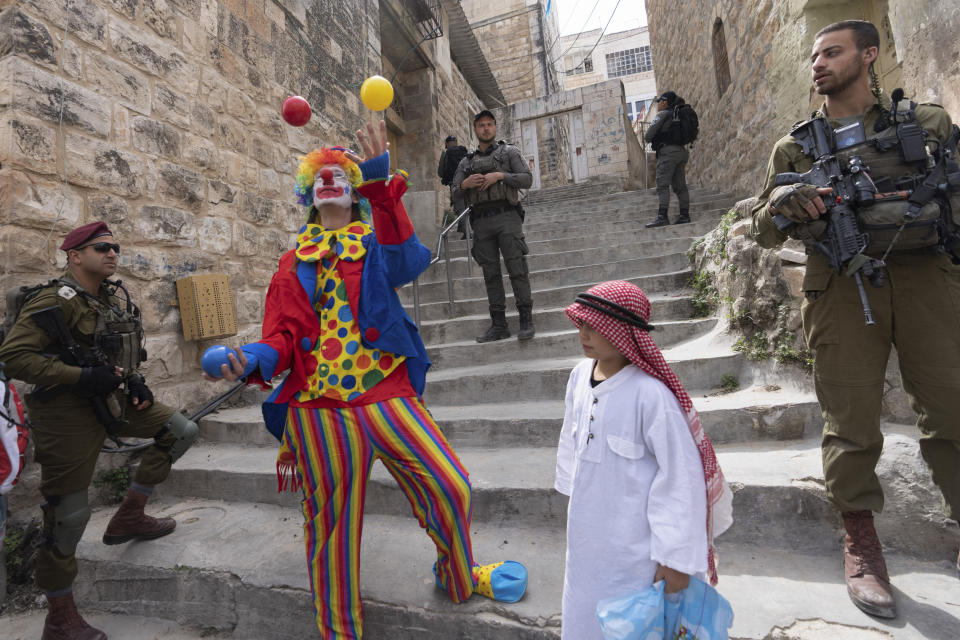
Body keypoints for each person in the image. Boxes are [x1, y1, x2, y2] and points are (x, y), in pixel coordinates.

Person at [205, 121, 527, 640]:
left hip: (386, 393)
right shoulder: (291, 263)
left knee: (450, 486)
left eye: (341, 174)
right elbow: (283, 337)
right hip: (319, 408)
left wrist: (380, 185)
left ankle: (455, 573)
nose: (330, 179)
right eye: (321, 175)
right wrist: (252, 358)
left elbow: (405, 263)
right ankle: (339, 631)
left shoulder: (374, 243)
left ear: (352, 190)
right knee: (331, 529)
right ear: (309, 193)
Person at [750, 19, 960, 617]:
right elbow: (764, 229)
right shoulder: (795, 147)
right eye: (814, 54)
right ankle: (862, 544)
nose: (818, 63)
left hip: (928, 279)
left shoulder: (927, 125)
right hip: (841, 286)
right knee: (850, 419)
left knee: (952, 407)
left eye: (832, 52)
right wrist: (781, 204)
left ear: (869, 56)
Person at [0, 221, 199, 640]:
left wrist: (135, 378)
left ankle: (129, 516)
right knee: (68, 516)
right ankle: (59, 616)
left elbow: (116, 349)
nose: (112, 253)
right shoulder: (54, 301)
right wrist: (79, 376)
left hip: (113, 398)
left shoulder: (108, 297)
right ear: (75, 256)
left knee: (179, 430)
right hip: (65, 413)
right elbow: (15, 357)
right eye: (101, 247)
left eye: (115, 247)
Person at [556, 280, 733, 639]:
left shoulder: (650, 395)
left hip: (636, 554)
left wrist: (675, 560)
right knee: (583, 618)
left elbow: (681, 480)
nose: (583, 333)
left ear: (622, 332)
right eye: (582, 323)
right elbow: (571, 441)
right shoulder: (578, 377)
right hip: (587, 541)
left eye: (594, 326)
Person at [451, 109, 535, 342]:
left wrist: (500, 176)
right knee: (491, 274)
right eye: (481, 125)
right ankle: (499, 324)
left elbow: (527, 179)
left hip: (507, 216)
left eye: (489, 124)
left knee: (517, 269)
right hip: (481, 221)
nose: (486, 128)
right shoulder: (465, 162)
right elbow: (455, 195)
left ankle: (526, 319)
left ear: (495, 127)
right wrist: (466, 184)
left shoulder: (509, 153)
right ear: (475, 130)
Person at [644, 91, 693, 227]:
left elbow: (648, 136)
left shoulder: (663, 114)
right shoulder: (678, 114)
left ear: (664, 102)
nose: (658, 104)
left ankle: (662, 217)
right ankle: (684, 215)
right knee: (680, 186)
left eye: (659, 101)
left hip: (668, 153)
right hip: (681, 152)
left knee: (662, 185)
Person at [437, 134, 468, 237]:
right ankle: (462, 228)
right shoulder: (463, 151)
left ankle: (467, 234)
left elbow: (440, 172)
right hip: (467, 183)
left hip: (454, 185)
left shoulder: (445, 154)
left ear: (446, 144)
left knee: (460, 208)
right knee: (466, 206)